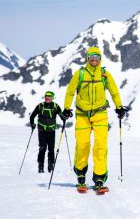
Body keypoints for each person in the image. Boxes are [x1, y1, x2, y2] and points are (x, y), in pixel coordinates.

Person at [62, 46, 126, 191]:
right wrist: (66, 108)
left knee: (100, 146)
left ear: (100, 58)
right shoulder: (80, 74)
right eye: (91, 56)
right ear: (87, 58)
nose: (94, 59)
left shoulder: (105, 74)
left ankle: (99, 179)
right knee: (83, 145)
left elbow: (114, 92)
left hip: (100, 114)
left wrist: (119, 107)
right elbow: (70, 92)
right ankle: (80, 177)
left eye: (96, 56)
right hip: (82, 115)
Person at [30, 91, 64, 173]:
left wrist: (65, 117)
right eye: (46, 96)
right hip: (42, 131)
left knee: (51, 149)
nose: (47, 97)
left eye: (49, 96)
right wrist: (32, 124)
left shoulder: (56, 106)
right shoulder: (40, 106)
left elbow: (62, 116)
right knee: (42, 148)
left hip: (51, 131)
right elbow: (32, 116)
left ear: (52, 97)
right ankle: (40, 166)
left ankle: (50, 165)